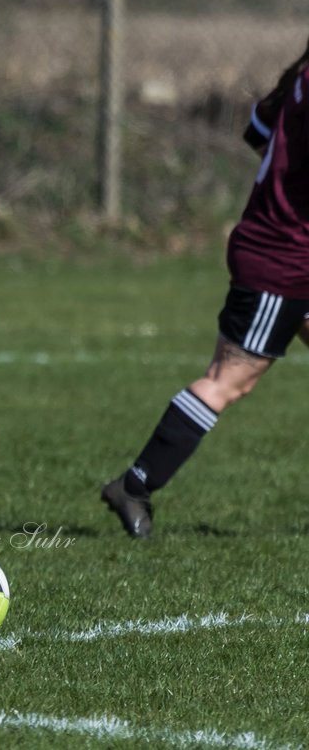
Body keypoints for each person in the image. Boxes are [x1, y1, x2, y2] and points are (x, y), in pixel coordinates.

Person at [101, 38, 309, 539]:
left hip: (281, 248)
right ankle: (134, 485)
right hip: (283, 261)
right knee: (227, 380)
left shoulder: (301, 73)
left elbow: (259, 130)